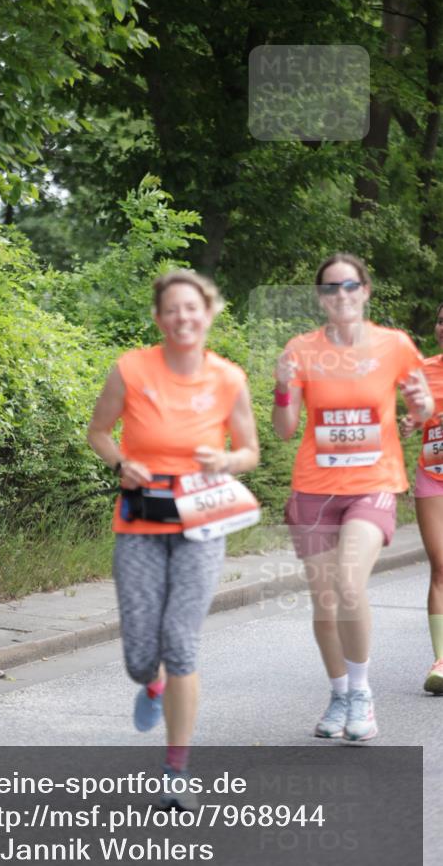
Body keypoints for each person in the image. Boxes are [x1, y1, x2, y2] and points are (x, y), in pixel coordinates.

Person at [87, 269, 259, 806]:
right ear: (159, 318)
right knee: (142, 654)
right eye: (172, 309)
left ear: (208, 312)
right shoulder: (131, 369)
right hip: (140, 523)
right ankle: (152, 683)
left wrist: (225, 459)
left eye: (192, 307)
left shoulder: (228, 378)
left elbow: (250, 451)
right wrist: (122, 463)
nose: (183, 317)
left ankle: (175, 770)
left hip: (201, 527)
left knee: (181, 643)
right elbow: (98, 432)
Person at [272, 253, 433, 741]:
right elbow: (284, 430)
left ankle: (362, 694)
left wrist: (420, 405)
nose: (340, 295)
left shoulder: (394, 345)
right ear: (320, 296)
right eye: (330, 287)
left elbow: (422, 406)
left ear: (365, 291)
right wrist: (282, 388)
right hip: (314, 489)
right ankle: (339, 693)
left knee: (347, 583)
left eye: (348, 286)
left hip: (373, 484)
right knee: (325, 604)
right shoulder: (302, 349)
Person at [400, 302, 443, 694]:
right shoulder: (423, 371)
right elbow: (413, 416)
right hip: (433, 474)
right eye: (442, 320)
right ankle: (441, 662)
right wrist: (409, 424)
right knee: (440, 566)